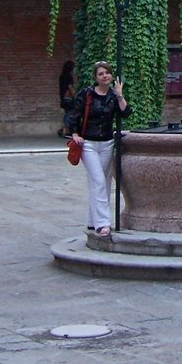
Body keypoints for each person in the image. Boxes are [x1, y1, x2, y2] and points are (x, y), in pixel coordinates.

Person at [65, 61, 131, 237]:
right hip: (88, 144)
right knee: (98, 181)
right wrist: (74, 133)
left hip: (107, 143)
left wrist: (119, 95)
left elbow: (125, 113)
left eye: (107, 73)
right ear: (95, 77)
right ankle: (103, 223)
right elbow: (73, 115)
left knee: (103, 182)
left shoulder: (112, 96)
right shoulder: (86, 95)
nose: (105, 76)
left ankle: (92, 220)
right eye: (101, 74)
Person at [57, 60, 76, 138]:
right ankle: (66, 130)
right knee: (70, 114)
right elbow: (70, 87)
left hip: (63, 98)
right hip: (68, 98)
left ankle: (64, 129)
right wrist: (75, 96)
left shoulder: (62, 76)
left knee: (67, 113)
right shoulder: (69, 76)